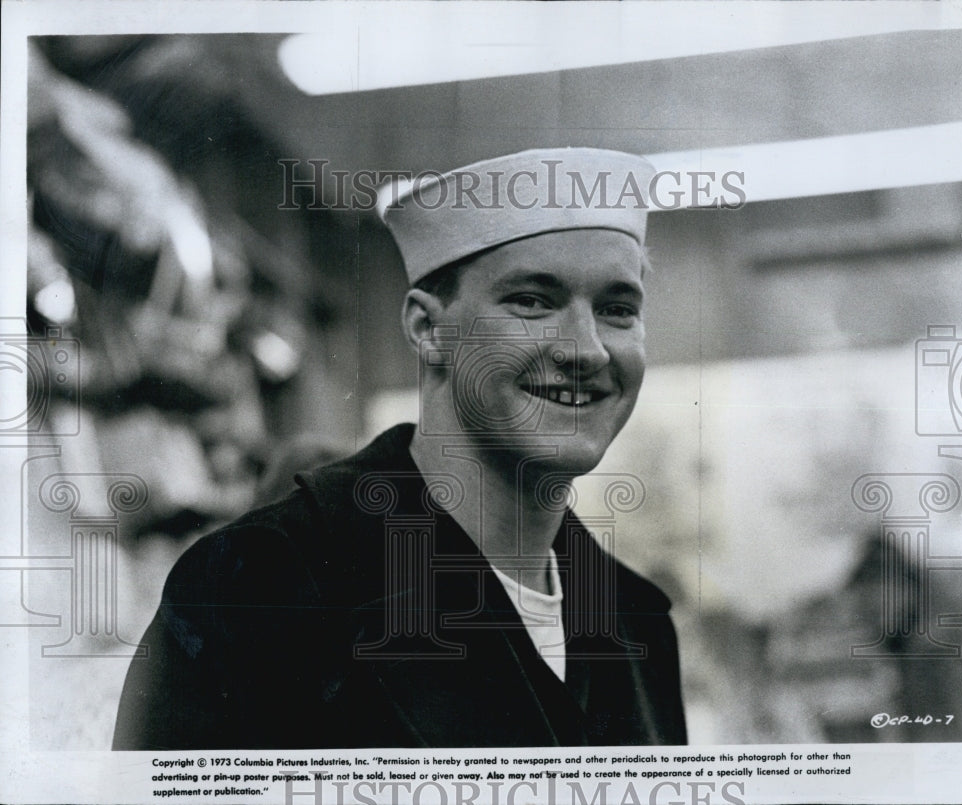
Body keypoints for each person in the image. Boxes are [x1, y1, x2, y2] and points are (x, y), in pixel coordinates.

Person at [113, 148, 687, 749]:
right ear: (426, 328)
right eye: (532, 301)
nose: (588, 349)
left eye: (618, 309)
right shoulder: (258, 590)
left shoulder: (636, 621)